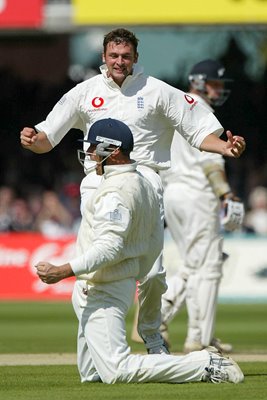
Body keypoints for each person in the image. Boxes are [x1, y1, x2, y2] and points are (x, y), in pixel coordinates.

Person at [20, 28, 246, 354]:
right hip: (99, 183)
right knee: (93, 269)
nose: (119, 62)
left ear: (136, 58)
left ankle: (153, 336)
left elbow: (198, 130)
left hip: (147, 183)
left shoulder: (157, 91)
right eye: (113, 55)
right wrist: (33, 140)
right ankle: (91, 352)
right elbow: (47, 137)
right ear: (103, 56)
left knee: (153, 274)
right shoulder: (84, 92)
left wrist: (225, 148)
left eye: (125, 56)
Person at [35, 118, 244, 384]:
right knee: (91, 374)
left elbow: (110, 248)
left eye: (94, 148)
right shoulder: (146, 181)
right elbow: (153, 242)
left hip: (104, 288)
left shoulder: (117, 192)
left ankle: (203, 365)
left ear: (114, 151)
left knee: (117, 370)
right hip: (106, 284)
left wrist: (63, 270)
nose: (88, 154)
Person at [159, 59, 245, 353]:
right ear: (197, 82)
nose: (219, 90)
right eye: (215, 83)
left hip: (172, 193)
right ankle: (199, 339)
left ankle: (161, 317)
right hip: (197, 195)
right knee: (208, 267)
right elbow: (211, 164)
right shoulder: (202, 111)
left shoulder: (174, 109)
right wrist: (227, 195)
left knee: (193, 264)